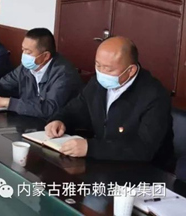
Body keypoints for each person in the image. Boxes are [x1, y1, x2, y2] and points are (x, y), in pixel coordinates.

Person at [45, 37, 173, 167]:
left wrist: (91, 148)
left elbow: (144, 148)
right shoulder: (97, 83)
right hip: (104, 161)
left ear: (131, 70)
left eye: (108, 69)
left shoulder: (154, 96)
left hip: (144, 170)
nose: (101, 73)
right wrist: (59, 120)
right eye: (98, 65)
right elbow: (77, 108)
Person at [0, 28, 82, 119]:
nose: (23, 55)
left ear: (45, 56)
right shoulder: (26, 68)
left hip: (59, 129)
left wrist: (7, 102)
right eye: (23, 50)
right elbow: (3, 85)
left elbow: (50, 108)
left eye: (28, 52)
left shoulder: (63, 73)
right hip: (29, 122)